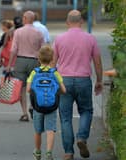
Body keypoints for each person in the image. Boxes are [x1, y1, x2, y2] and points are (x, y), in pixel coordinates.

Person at [52, 10, 103, 160]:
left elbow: (53, 63)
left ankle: (68, 152)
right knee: (86, 111)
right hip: (83, 80)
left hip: (64, 81)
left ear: (67, 22)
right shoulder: (90, 38)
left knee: (65, 117)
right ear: (81, 22)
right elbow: (98, 62)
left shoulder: (59, 39)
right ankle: (82, 137)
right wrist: (99, 80)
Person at [27, 45, 66, 160]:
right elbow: (64, 90)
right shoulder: (55, 73)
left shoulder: (34, 73)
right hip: (51, 106)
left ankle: (38, 152)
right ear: (52, 59)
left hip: (37, 106)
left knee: (38, 130)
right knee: (50, 129)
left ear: (38, 58)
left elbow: (28, 89)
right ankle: (49, 153)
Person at [6, 11, 44, 122]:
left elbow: (13, 49)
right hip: (35, 61)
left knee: (21, 88)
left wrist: (9, 64)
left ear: (25, 18)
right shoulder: (39, 32)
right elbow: (43, 50)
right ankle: (32, 106)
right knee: (34, 86)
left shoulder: (18, 32)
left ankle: (24, 113)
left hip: (21, 60)